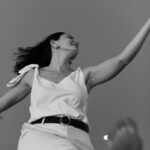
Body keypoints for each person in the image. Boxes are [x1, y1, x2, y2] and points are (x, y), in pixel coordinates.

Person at [0, 18, 150, 150]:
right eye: (69, 37)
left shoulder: (83, 76)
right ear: (54, 43)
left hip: (79, 139)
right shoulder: (33, 75)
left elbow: (121, 60)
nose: (76, 41)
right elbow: (3, 103)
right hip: (40, 135)